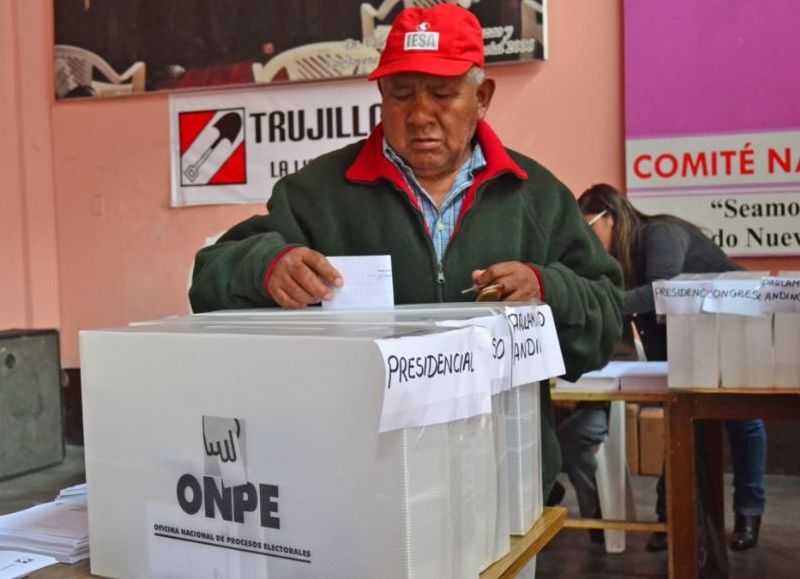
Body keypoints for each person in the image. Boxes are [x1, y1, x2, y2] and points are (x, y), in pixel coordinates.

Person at [189, 4, 623, 502]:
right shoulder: (316, 194)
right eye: (401, 95)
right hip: (358, 487)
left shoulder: (537, 197)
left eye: (441, 94)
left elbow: (606, 315)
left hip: (504, 484)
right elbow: (209, 280)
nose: (419, 115)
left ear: (482, 97)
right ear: (379, 95)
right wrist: (266, 268)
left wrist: (548, 291)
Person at [568, 183, 766, 552]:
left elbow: (664, 291)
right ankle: (669, 517)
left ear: (609, 216)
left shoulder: (659, 232)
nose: (589, 241)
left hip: (729, 321)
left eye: (589, 227)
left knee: (743, 421)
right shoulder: (622, 264)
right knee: (680, 416)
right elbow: (644, 314)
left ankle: (748, 512)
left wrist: (602, 304)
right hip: (686, 333)